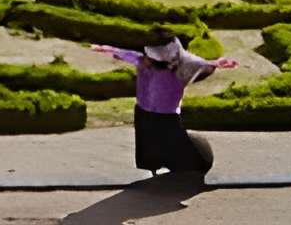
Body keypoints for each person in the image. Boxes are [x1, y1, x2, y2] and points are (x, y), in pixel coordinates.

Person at [91, 35, 237, 178]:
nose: (146, 61)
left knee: (174, 145)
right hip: (143, 112)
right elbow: (127, 54)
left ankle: (190, 168)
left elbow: (201, 65)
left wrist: (217, 63)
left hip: (166, 116)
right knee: (147, 145)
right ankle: (154, 168)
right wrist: (107, 49)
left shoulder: (179, 69)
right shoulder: (142, 62)